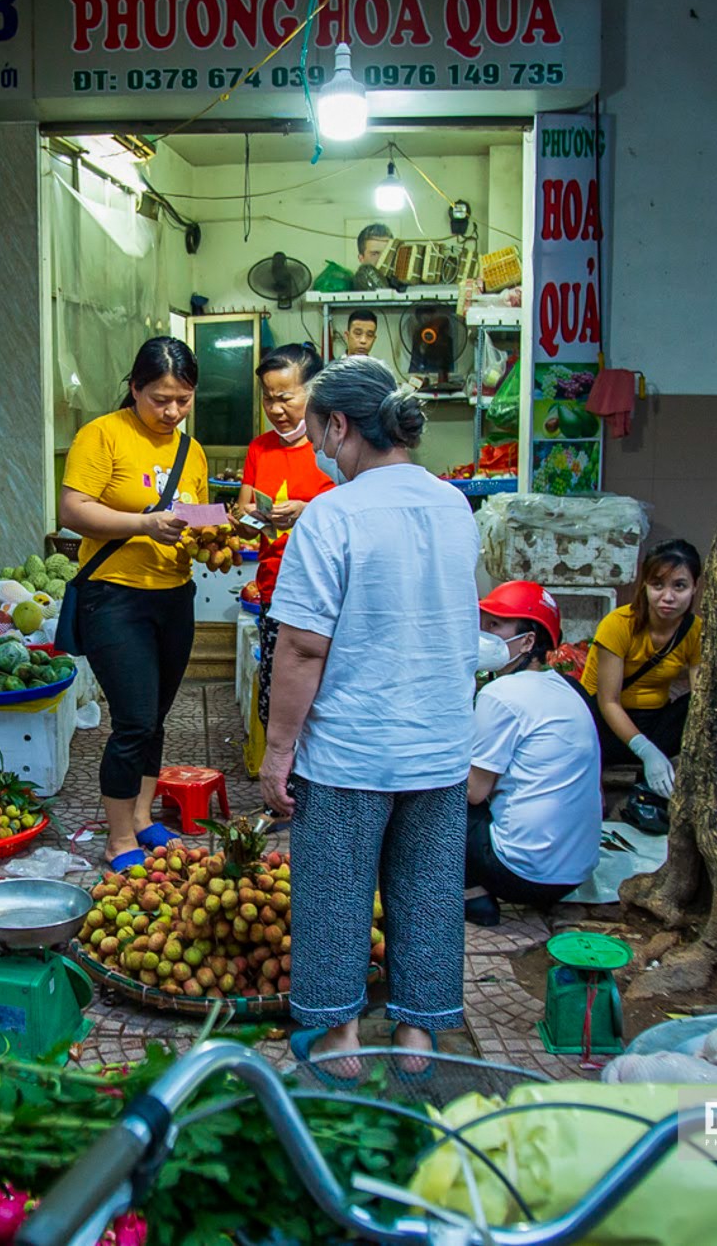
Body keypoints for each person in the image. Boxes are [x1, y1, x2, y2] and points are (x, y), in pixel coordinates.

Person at [260, 355, 480, 1073]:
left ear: (342, 425)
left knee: (334, 890)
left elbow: (299, 648)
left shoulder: (332, 515)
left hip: (352, 749)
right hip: (440, 746)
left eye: (322, 431)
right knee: (429, 890)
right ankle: (419, 1037)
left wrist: (278, 748)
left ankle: (337, 1036)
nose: (320, 448)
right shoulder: (455, 506)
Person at [58, 337, 211, 874]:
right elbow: (73, 509)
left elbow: (197, 517)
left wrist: (222, 533)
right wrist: (145, 523)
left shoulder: (191, 451)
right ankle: (119, 839)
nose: (172, 412)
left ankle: (144, 816)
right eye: (160, 399)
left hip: (174, 597)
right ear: (134, 388)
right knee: (133, 721)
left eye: (183, 400)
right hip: (115, 597)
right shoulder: (102, 435)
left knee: (157, 719)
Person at [465, 582, 602, 927]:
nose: (485, 633)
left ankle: (473, 897)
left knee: (433, 797)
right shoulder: (567, 689)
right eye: (485, 622)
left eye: (497, 626)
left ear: (527, 642)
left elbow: (474, 791)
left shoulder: (501, 693)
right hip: (575, 873)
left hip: (522, 873)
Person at [234, 343, 335, 727]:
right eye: (267, 398)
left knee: (321, 709)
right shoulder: (260, 449)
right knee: (279, 707)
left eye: (285, 398)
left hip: (325, 595)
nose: (275, 409)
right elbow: (244, 520)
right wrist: (252, 518)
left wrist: (307, 512)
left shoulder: (334, 447)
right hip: (276, 591)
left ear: (315, 390)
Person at [580, 539, 705, 797]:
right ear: (645, 586)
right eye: (658, 585)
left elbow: (700, 695)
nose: (667, 597)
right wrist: (647, 752)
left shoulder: (694, 630)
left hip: (654, 724)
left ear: (694, 588)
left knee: (701, 703)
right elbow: (609, 701)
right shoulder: (618, 624)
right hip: (605, 726)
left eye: (679, 586)